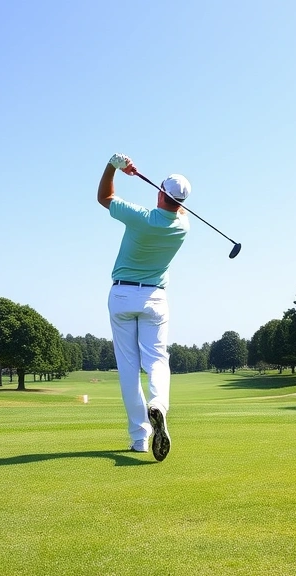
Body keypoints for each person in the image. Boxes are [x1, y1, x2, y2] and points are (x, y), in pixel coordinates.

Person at [97, 153, 191, 462]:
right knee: (157, 360)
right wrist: (168, 195)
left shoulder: (140, 216)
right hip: (156, 298)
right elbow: (175, 208)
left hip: (123, 295)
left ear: (160, 192)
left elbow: (105, 197)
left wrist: (115, 166)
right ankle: (159, 406)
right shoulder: (182, 226)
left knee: (128, 367)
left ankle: (139, 438)